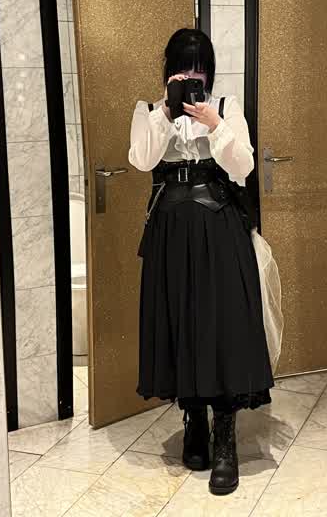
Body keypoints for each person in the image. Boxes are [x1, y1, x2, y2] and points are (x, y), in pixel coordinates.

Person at [128, 28, 274, 495]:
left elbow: (243, 167)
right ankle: (193, 421)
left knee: (223, 324)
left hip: (219, 225)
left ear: (209, 71)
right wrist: (166, 114)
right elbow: (142, 160)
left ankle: (224, 437)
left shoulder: (227, 108)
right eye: (183, 68)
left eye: (199, 68)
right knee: (180, 322)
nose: (192, 77)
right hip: (170, 229)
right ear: (168, 71)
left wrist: (216, 125)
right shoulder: (151, 112)